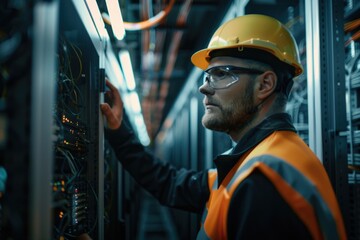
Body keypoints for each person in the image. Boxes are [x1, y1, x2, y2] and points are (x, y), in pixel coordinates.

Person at [100, 14, 347, 240]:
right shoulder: (247, 165)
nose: (204, 87)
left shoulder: (264, 182)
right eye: (208, 76)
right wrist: (118, 131)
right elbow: (168, 183)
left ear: (265, 85)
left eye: (221, 74)